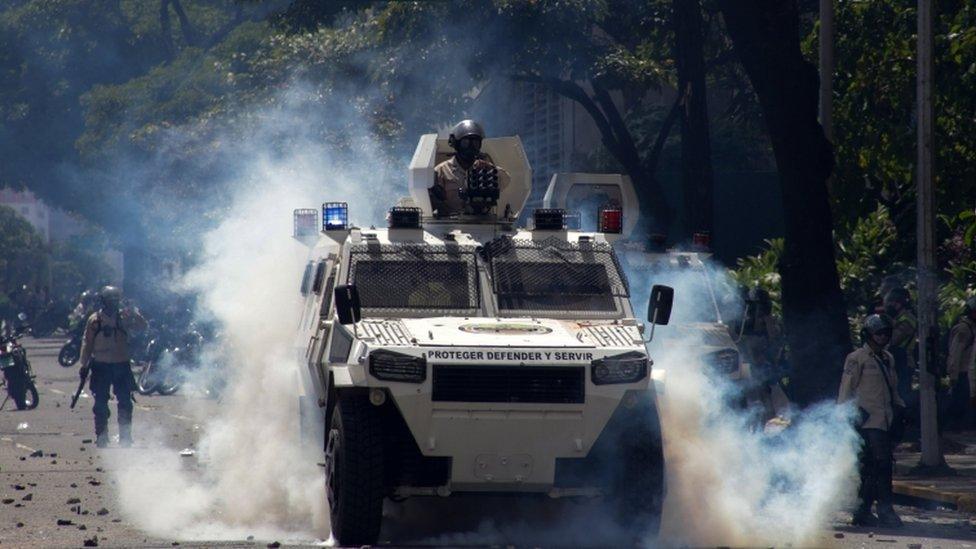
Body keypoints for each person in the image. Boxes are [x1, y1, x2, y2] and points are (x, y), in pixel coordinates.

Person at [838, 314, 906, 528]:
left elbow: (893, 389)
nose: (883, 336)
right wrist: (845, 418)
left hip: (885, 419)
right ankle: (884, 511)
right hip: (867, 421)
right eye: (878, 332)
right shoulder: (856, 358)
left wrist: (902, 409)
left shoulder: (888, 358)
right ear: (868, 334)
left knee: (875, 467)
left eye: (886, 332)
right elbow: (846, 390)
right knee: (880, 464)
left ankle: (863, 511)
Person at [78, 286, 147, 448]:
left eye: (115, 300)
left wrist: (134, 314)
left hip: (121, 363)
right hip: (101, 365)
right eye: (110, 300)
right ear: (103, 301)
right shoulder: (95, 320)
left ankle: (125, 436)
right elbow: (87, 343)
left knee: (125, 402)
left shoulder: (125, 317)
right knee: (100, 403)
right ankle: (101, 436)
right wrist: (84, 364)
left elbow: (143, 327)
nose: (113, 303)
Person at [429, 120, 510, 217]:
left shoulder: (485, 169)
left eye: (475, 143)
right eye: (466, 142)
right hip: (451, 223)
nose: (470, 147)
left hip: (483, 223)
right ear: (457, 144)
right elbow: (431, 200)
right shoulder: (442, 170)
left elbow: (506, 180)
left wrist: (490, 168)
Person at [946, 296, 976, 430]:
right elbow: (955, 354)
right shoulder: (964, 329)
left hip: (968, 374)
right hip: (963, 374)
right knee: (960, 407)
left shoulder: (971, 328)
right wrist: (953, 377)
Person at [884, 287, 917, 408]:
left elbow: (893, 340)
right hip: (896, 361)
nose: (891, 304)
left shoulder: (907, 319)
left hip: (904, 362)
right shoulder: (898, 318)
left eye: (894, 301)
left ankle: (907, 420)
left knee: (902, 395)